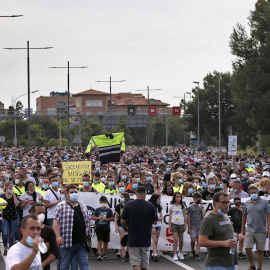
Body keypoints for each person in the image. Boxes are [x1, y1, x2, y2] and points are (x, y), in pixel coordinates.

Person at [53, 185, 91, 270]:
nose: (74, 194)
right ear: (67, 195)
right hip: (67, 243)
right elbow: (55, 221)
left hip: (82, 243)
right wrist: (58, 236)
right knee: (65, 266)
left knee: (84, 265)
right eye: (71, 192)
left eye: (75, 192)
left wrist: (89, 234)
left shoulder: (83, 206)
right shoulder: (61, 206)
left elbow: (88, 220)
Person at [199, 192, 239, 270]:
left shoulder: (225, 216)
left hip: (231, 263)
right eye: (223, 202)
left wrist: (235, 236)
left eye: (228, 202)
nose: (226, 205)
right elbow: (202, 241)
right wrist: (223, 243)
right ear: (215, 203)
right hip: (217, 264)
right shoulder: (208, 219)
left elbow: (227, 231)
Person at [121, 186, 158, 270]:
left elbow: (122, 221)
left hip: (133, 237)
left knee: (136, 262)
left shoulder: (129, 205)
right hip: (145, 238)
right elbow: (155, 221)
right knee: (144, 264)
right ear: (145, 194)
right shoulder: (150, 206)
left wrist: (126, 229)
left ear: (136, 193)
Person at [239, 185, 270, 270]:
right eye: (252, 193)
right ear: (249, 193)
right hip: (249, 229)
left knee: (260, 250)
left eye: (255, 192)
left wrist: (268, 227)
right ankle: (252, 265)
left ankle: (259, 267)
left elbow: (268, 215)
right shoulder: (247, 203)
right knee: (248, 248)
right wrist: (242, 230)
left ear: (258, 193)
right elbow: (244, 216)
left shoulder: (264, 202)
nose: (253, 194)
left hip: (261, 230)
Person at [29, 203, 59, 270]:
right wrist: (45, 245)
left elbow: (55, 253)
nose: (42, 215)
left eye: (43, 212)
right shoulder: (25, 230)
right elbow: (25, 248)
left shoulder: (49, 230)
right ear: (32, 214)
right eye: (39, 212)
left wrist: (42, 265)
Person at [1, 181, 20, 255]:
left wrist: (14, 196)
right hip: (5, 217)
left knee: (12, 234)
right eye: (9, 186)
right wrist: (1, 218)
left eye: (12, 186)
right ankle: (5, 246)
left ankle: (11, 249)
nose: (11, 188)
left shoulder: (14, 195)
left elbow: (17, 205)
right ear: (6, 187)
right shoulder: (2, 196)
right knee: (5, 233)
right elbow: (1, 208)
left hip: (13, 216)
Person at [93, 195, 114, 261]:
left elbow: (112, 218)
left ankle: (104, 254)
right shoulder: (97, 210)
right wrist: (98, 218)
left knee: (105, 241)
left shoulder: (109, 210)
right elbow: (93, 217)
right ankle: (99, 254)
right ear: (99, 202)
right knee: (99, 241)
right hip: (99, 227)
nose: (103, 203)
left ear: (107, 202)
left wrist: (106, 219)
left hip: (106, 228)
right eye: (102, 202)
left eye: (104, 202)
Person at [187, 192, 205, 260]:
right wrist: (189, 227)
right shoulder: (190, 207)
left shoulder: (200, 207)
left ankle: (197, 253)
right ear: (194, 199)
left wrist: (202, 205)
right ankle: (192, 249)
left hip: (199, 225)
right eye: (198, 199)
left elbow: (204, 214)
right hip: (192, 226)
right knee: (193, 240)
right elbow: (188, 218)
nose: (199, 201)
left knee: (199, 240)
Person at [168, 191, 186, 261]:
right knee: (175, 239)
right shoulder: (171, 206)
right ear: (174, 198)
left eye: (179, 197)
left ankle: (180, 252)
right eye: (177, 197)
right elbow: (169, 216)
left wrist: (185, 225)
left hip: (181, 224)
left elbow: (185, 216)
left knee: (181, 240)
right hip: (174, 223)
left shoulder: (183, 206)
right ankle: (175, 254)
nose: (178, 198)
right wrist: (169, 224)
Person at [114, 192, 130, 262]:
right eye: (121, 197)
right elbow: (115, 217)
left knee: (129, 240)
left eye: (123, 197)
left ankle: (127, 252)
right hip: (120, 225)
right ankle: (123, 254)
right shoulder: (118, 206)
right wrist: (115, 226)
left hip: (129, 225)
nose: (121, 198)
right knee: (122, 240)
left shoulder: (130, 205)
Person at [149, 193, 163, 262]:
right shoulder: (151, 207)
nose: (159, 201)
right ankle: (155, 253)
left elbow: (161, 217)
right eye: (158, 199)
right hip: (153, 225)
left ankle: (154, 251)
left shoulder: (159, 208)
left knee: (156, 240)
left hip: (158, 225)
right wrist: (155, 220)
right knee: (154, 240)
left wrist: (157, 219)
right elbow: (151, 218)